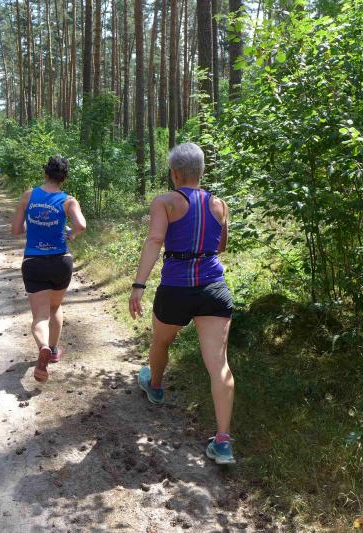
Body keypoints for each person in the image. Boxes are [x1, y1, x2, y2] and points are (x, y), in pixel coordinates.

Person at [128, 143, 236, 464]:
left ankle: (155, 387)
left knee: (161, 342)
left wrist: (138, 286)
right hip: (213, 289)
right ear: (202, 171)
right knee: (219, 365)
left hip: (176, 289)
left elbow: (155, 240)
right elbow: (221, 246)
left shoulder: (165, 202)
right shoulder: (220, 204)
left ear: (174, 173)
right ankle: (223, 442)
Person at [12, 156, 87, 382]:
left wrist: (33, 226)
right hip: (60, 262)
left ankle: (43, 346)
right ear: (64, 178)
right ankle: (52, 351)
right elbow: (81, 225)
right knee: (55, 307)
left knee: (40, 316)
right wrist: (71, 234)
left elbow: (16, 229)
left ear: (45, 173)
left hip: (34, 262)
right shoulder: (68, 201)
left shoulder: (28, 196)